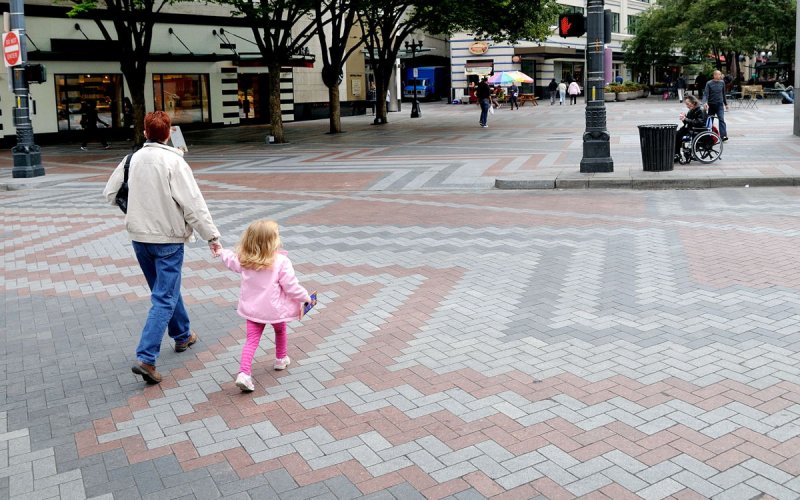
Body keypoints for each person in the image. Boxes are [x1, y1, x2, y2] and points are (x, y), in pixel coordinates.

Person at [102, 111, 222, 384]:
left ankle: (183, 335)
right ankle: (146, 357)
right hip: (168, 239)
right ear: (168, 134)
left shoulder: (130, 160)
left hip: (140, 239)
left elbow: (109, 193)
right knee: (164, 297)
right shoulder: (174, 162)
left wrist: (135, 207)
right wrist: (212, 237)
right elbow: (194, 205)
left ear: (145, 133)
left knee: (163, 291)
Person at [217, 220, 316, 392]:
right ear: (272, 241)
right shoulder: (281, 261)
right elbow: (291, 286)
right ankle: (280, 359)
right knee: (280, 330)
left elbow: (230, 260)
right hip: (275, 310)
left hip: (253, 309)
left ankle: (244, 374)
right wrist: (306, 297)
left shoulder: (245, 259)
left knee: (251, 341)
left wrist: (220, 251)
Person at [674, 94, 707, 161]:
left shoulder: (700, 109)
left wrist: (685, 119)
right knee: (675, 134)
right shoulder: (692, 110)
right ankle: (676, 153)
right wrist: (684, 119)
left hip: (697, 130)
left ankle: (677, 154)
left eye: (688, 104)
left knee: (677, 136)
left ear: (694, 103)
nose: (687, 106)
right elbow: (688, 122)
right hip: (690, 128)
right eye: (686, 104)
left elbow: (699, 122)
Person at [701, 70, 728, 141]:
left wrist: (726, 104)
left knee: (721, 119)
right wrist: (705, 103)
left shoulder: (722, 83)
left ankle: (723, 136)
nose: (720, 76)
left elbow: (723, 94)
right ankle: (708, 135)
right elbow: (706, 94)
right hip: (711, 105)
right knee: (710, 120)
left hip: (720, 105)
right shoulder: (709, 83)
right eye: (718, 75)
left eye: (720, 75)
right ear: (714, 75)